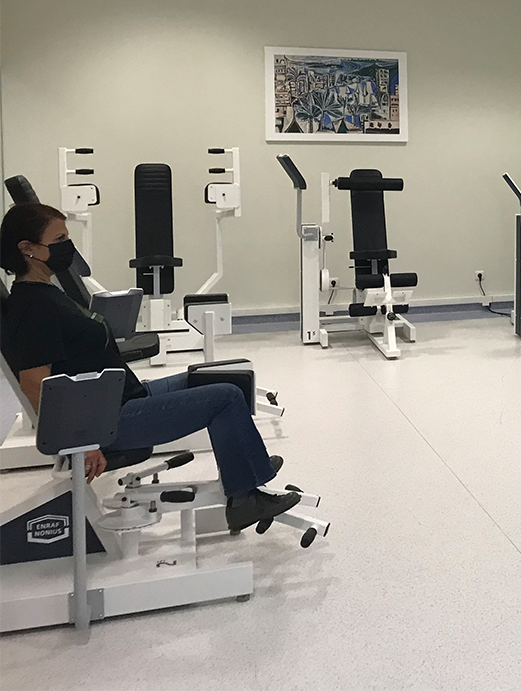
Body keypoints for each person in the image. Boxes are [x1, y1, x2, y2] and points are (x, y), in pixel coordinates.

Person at [0, 202, 300, 532]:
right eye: (59, 239)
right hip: (107, 422)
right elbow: (34, 383)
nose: (67, 246)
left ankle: (249, 466)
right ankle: (245, 499)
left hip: (124, 396)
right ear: (28, 249)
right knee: (225, 397)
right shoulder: (31, 306)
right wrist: (83, 444)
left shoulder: (46, 289)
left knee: (216, 378)